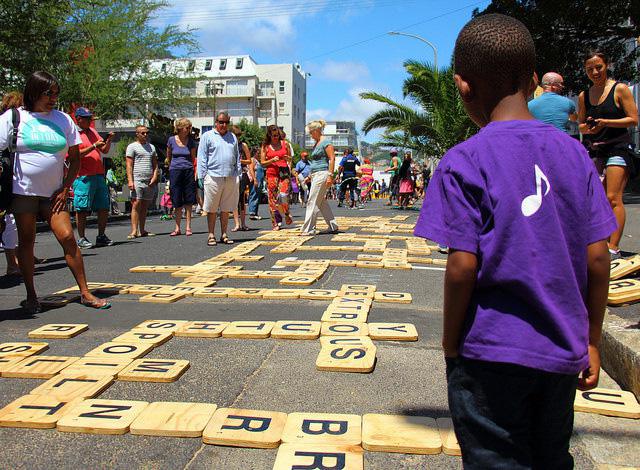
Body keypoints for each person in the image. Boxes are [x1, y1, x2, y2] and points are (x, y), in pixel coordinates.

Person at [414, 15, 614, 468]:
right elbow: (598, 257)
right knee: (550, 456)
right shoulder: (575, 153)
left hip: (488, 353)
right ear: (530, 80)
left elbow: (462, 267)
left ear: (463, 86)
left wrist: (450, 344)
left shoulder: (463, 160)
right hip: (562, 351)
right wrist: (593, 339)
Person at [0, 71, 110, 312]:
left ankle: (85, 292)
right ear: (33, 91)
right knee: (26, 241)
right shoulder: (15, 117)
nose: (52, 98)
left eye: (55, 94)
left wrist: (65, 188)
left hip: (54, 193)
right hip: (23, 192)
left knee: (68, 238)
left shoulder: (63, 119)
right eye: (48, 93)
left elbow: (75, 158)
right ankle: (31, 296)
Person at [577, 51, 639, 259]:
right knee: (596, 199)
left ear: (606, 65)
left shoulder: (619, 89)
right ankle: (600, 243)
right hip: (596, 149)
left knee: (613, 198)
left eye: (598, 67)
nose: (595, 72)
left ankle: (613, 247)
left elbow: (633, 119)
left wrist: (606, 123)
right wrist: (590, 128)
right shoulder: (584, 95)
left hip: (618, 147)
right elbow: (582, 126)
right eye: (590, 69)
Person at [72, 107, 115, 249]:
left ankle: (101, 235)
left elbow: (104, 150)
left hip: (98, 175)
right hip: (83, 176)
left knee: (103, 206)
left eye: (90, 118)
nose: (90, 120)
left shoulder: (92, 131)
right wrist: (93, 146)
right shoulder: (73, 133)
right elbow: (75, 155)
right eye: (86, 118)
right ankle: (81, 238)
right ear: (78, 119)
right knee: (82, 208)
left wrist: (108, 140)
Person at [197, 111, 240, 246]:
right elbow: (202, 157)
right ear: (216, 122)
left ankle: (224, 234)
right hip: (213, 175)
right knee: (212, 208)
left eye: (226, 122)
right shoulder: (207, 136)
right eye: (221, 122)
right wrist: (201, 175)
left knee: (226, 208)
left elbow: (237, 156)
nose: (223, 125)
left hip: (230, 176)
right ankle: (211, 234)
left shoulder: (232, 137)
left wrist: (238, 172)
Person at [300, 120, 338, 235]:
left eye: (311, 132)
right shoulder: (317, 143)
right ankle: (333, 226)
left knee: (312, 200)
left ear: (316, 130)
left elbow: (332, 158)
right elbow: (315, 162)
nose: (310, 135)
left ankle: (308, 229)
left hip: (323, 173)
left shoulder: (326, 142)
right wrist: (310, 176)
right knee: (321, 202)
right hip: (317, 174)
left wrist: (330, 176)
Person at [126, 125, 158, 239]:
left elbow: (155, 164)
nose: (145, 135)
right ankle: (134, 230)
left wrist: (155, 176)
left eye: (147, 133)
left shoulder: (152, 147)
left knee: (145, 205)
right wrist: (130, 180)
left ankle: (142, 230)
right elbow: (129, 165)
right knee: (136, 204)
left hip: (149, 180)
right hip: (137, 179)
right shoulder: (132, 147)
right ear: (137, 134)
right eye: (143, 133)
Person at [166, 117, 196, 237]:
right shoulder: (171, 140)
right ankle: (177, 227)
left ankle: (188, 226)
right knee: (176, 198)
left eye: (190, 128)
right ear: (179, 128)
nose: (188, 130)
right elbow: (169, 156)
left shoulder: (191, 141)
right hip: (175, 170)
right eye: (187, 127)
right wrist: (170, 166)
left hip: (188, 170)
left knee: (189, 199)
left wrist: (193, 171)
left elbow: (193, 158)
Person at [260, 124, 292, 231]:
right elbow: (262, 163)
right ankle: (275, 222)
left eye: (277, 135)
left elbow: (290, 159)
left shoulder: (285, 144)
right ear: (269, 135)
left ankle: (286, 213)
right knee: (273, 200)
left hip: (283, 172)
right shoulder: (265, 146)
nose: (276, 137)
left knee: (283, 194)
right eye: (274, 135)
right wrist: (272, 160)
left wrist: (288, 159)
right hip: (271, 173)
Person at [231, 125, 253, 232]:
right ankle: (236, 223)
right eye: (235, 135)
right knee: (234, 199)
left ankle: (243, 223)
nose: (237, 137)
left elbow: (249, 161)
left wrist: (240, 161)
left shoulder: (243, 145)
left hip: (242, 173)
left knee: (241, 199)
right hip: (232, 173)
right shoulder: (229, 145)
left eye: (238, 135)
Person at [248, 148, 264, 220]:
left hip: (259, 180)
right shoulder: (252, 160)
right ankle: (252, 213)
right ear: (254, 153)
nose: (259, 154)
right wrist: (255, 179)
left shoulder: (258, 161)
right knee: (254, 195)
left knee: (257, 196)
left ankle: (255, 213)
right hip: (256, 180)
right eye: (258, 153)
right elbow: (251, 169)